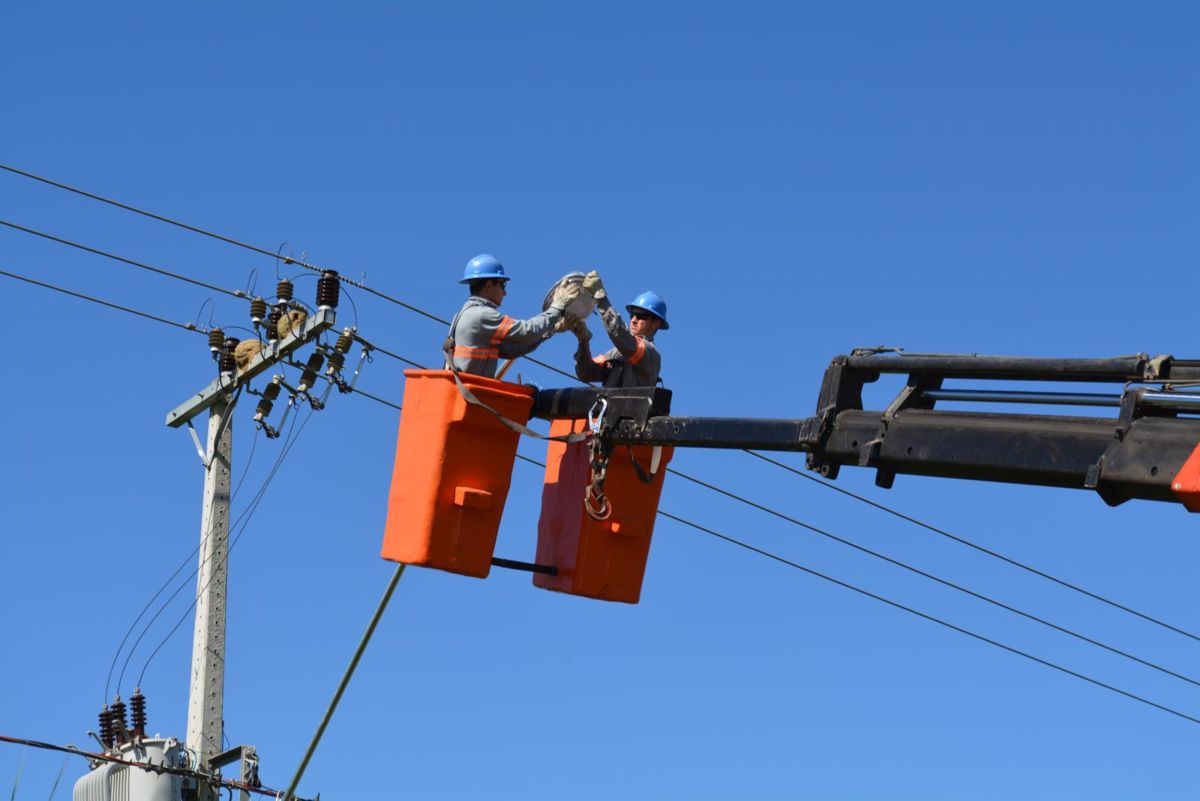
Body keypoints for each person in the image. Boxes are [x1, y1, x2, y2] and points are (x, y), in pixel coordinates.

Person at [444, 254, 583, 379]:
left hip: (465, 394)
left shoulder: (466, 314)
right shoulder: (482, 315)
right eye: (502, 285)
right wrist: (557, 306)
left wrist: (551, 330)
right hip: (470, 395)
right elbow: (527, 331)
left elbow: (510, 350)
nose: (505, 293)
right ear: (488, 285)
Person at [573, 271, 667, 387]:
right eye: (632, 314)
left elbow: (620, 334)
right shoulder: (616, 353)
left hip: (631, 405)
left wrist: (600, 297)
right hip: (610, 405)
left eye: (641, 316)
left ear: (656, 323)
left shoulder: (651, 354)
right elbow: (586, 373)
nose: (634, 320)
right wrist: (583, 341)